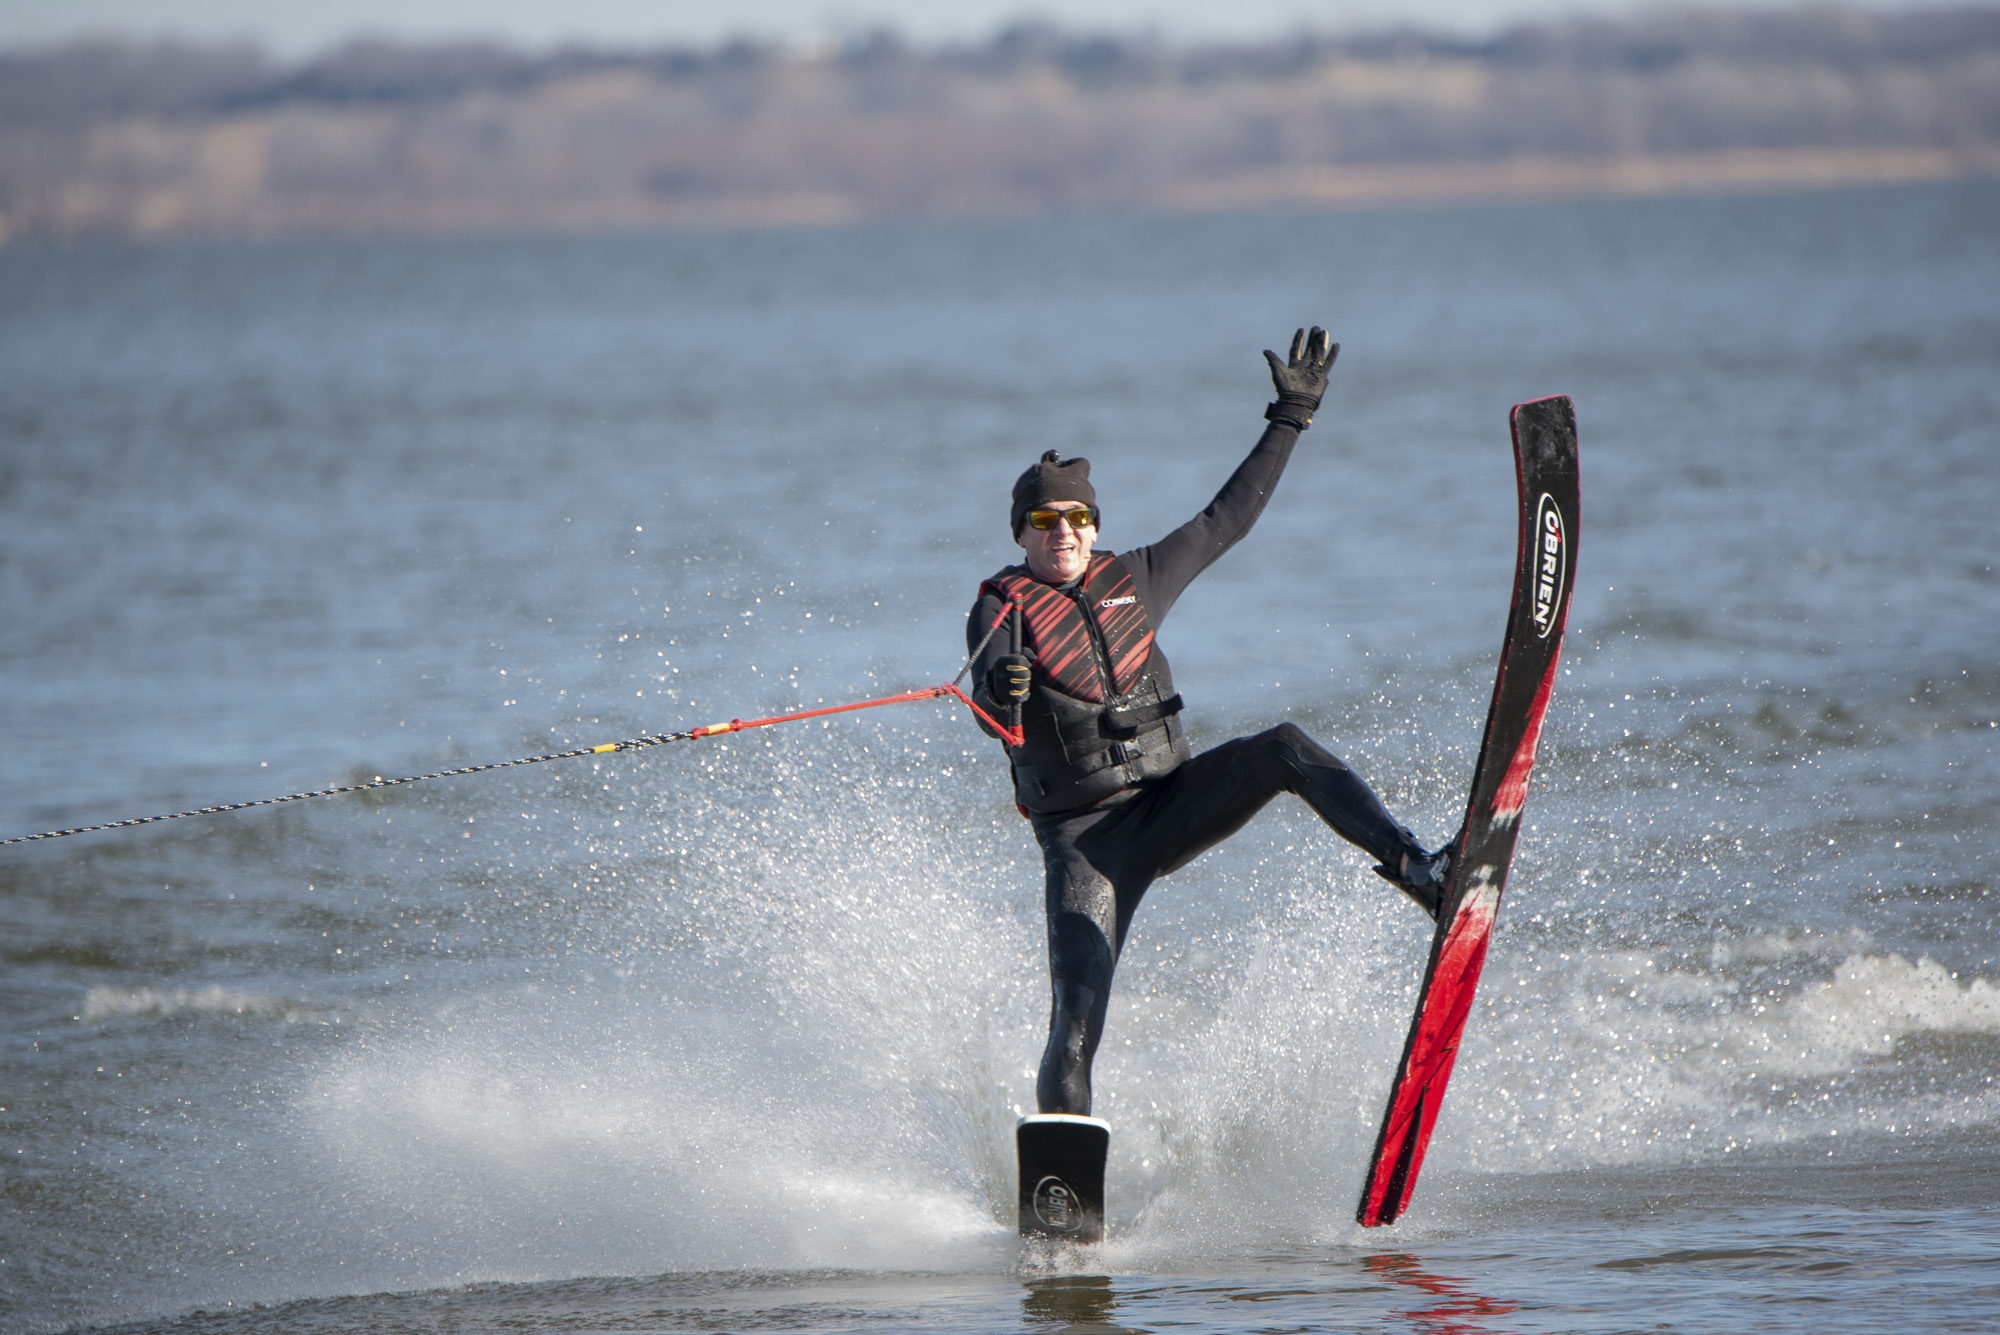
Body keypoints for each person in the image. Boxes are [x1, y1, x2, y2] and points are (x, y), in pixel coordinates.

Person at [967, 328, 1455, 1118]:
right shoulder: (999, 607)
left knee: (1285, 748)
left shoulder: (1139, 575)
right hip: (1088, 841)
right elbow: (994, 706)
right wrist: (1006, 688)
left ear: (1094, 525)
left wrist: (1290, 415)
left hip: (1173, 800)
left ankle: (1420, 872)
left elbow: (1226, 517)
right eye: (1046, 519)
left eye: (1078, 519)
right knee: (1077, 1020)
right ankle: (1062, 1171)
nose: (1065, 532)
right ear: (1020, 531)